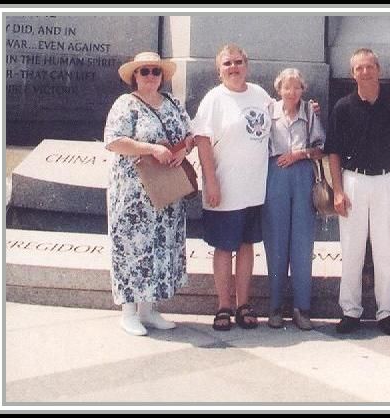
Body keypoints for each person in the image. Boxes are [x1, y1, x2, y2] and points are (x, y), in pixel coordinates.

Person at [325, 48, 390, 336]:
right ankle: (350, 311)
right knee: (351, 248)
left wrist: (388, 162)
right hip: (353, 181)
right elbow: (333, 153)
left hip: (385, 181)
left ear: (378, 69)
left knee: (383, 248)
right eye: (359, 68)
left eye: (369, 67)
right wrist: (338, 191)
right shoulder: (343, 107)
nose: (364, 72)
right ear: (352, 74)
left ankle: (386, 312)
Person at [104, 51, 194, 336]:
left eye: (156, 72)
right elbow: (114, 141)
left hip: (166, 187)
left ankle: (149, 309)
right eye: (145, 72)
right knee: (131, 247)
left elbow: (190, 136)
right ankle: (129, 311)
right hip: (133, 192)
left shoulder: (173, 103)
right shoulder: (125, 105)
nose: (151, 77)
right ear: (135, 76)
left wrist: (183, 151)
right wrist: (151, 148)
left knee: (160, 246)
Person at [192, 44, 272, 331]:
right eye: (227, 64)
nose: (234, 67)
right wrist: (210, 181)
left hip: (254, 188)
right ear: (219, 69)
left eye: (238, 62)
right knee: (225, 248)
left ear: (246, 65)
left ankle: (243, 304)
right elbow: (202, 141)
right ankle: (224, 305)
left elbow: (280, 120)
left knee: (247, 245)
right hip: (224, 188)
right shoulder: (214, 100)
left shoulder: (260, 95)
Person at [262, 68, 325, 331]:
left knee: (302, 242)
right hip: (275, 174)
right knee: (276, 241)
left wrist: (300, 154)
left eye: (297, 87)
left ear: (303, 89)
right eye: (287, 87)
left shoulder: (310, 113)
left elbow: (321, 148)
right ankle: (275, 307)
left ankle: (302, 307)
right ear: (279, 89)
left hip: (302, 175)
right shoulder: (268, 111)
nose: (292, 92)